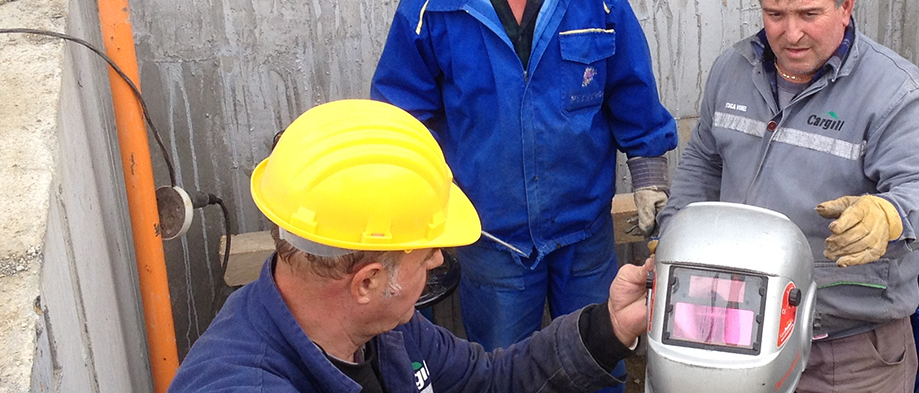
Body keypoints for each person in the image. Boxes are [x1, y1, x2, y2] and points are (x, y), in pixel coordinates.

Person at [368, 0, 677, 361]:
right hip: (492, 239)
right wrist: (423, 213)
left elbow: (629, 81)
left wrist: (649, 172)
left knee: (602, 359)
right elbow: (402, 123)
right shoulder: (431, 4)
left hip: (584, 230)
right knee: (501, 369)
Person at [652, 0, 919, 392]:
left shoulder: (896, 94)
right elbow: (704, 161)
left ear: (846, 4)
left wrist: (890, 214)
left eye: (809, 14)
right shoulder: (733, 71)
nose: (790, 33)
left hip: (845, 353)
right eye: (775, 14)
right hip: (732, 331)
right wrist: (674, 236)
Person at [171, 99, 652, 392]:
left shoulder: (385, 330)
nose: (440, 259)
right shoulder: (242, 382)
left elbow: (488, 382)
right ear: (368, 282)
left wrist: (609, 327)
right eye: (426, 254)